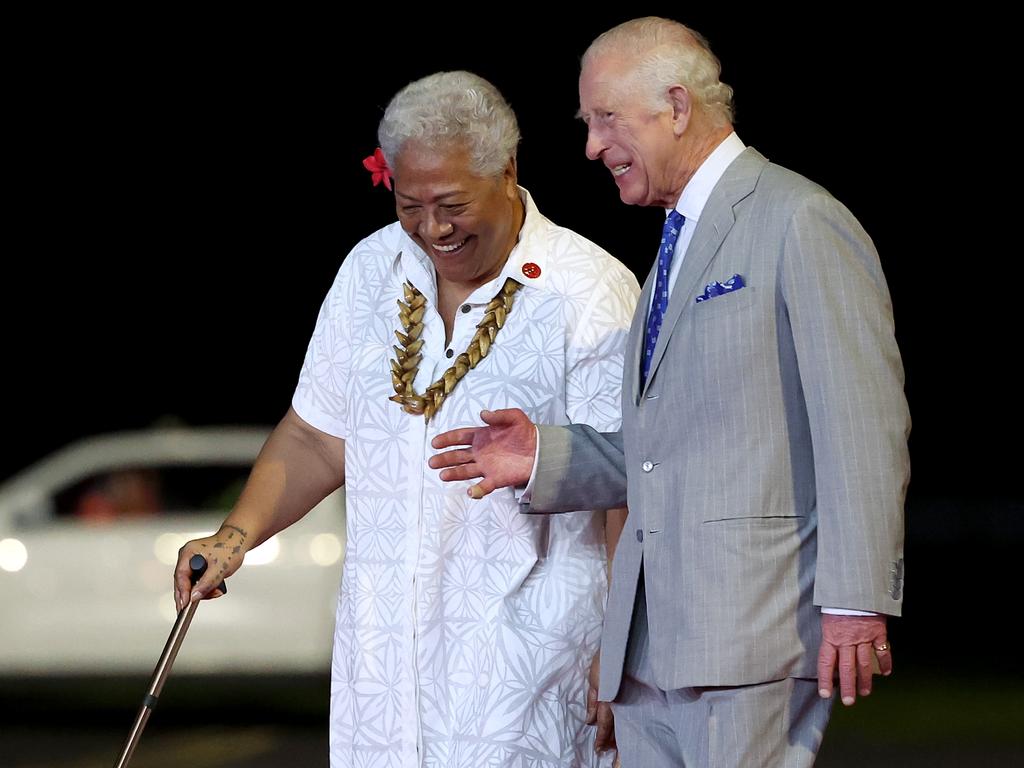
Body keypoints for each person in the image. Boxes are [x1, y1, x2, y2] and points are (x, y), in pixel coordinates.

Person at [429, 18, 911, 767]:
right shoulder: (673, 249)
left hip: (750, 632)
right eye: (587, 123)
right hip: (652, 644)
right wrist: (546, 457)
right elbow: (666, 453)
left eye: (605, 118)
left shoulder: (799, 220)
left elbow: (863, 426)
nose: (591, 146)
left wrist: (854, 602)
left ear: (678, 107)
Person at [173, 70, 639, 768]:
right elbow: (315, 434)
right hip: (384, 676)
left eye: (452, 203)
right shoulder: (370, 269)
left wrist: (623, 640)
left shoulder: (587, 290)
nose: (432, 228)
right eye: (409, 203)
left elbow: (627, 475)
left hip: (530, 673)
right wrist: (236, 535)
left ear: (508, 171)